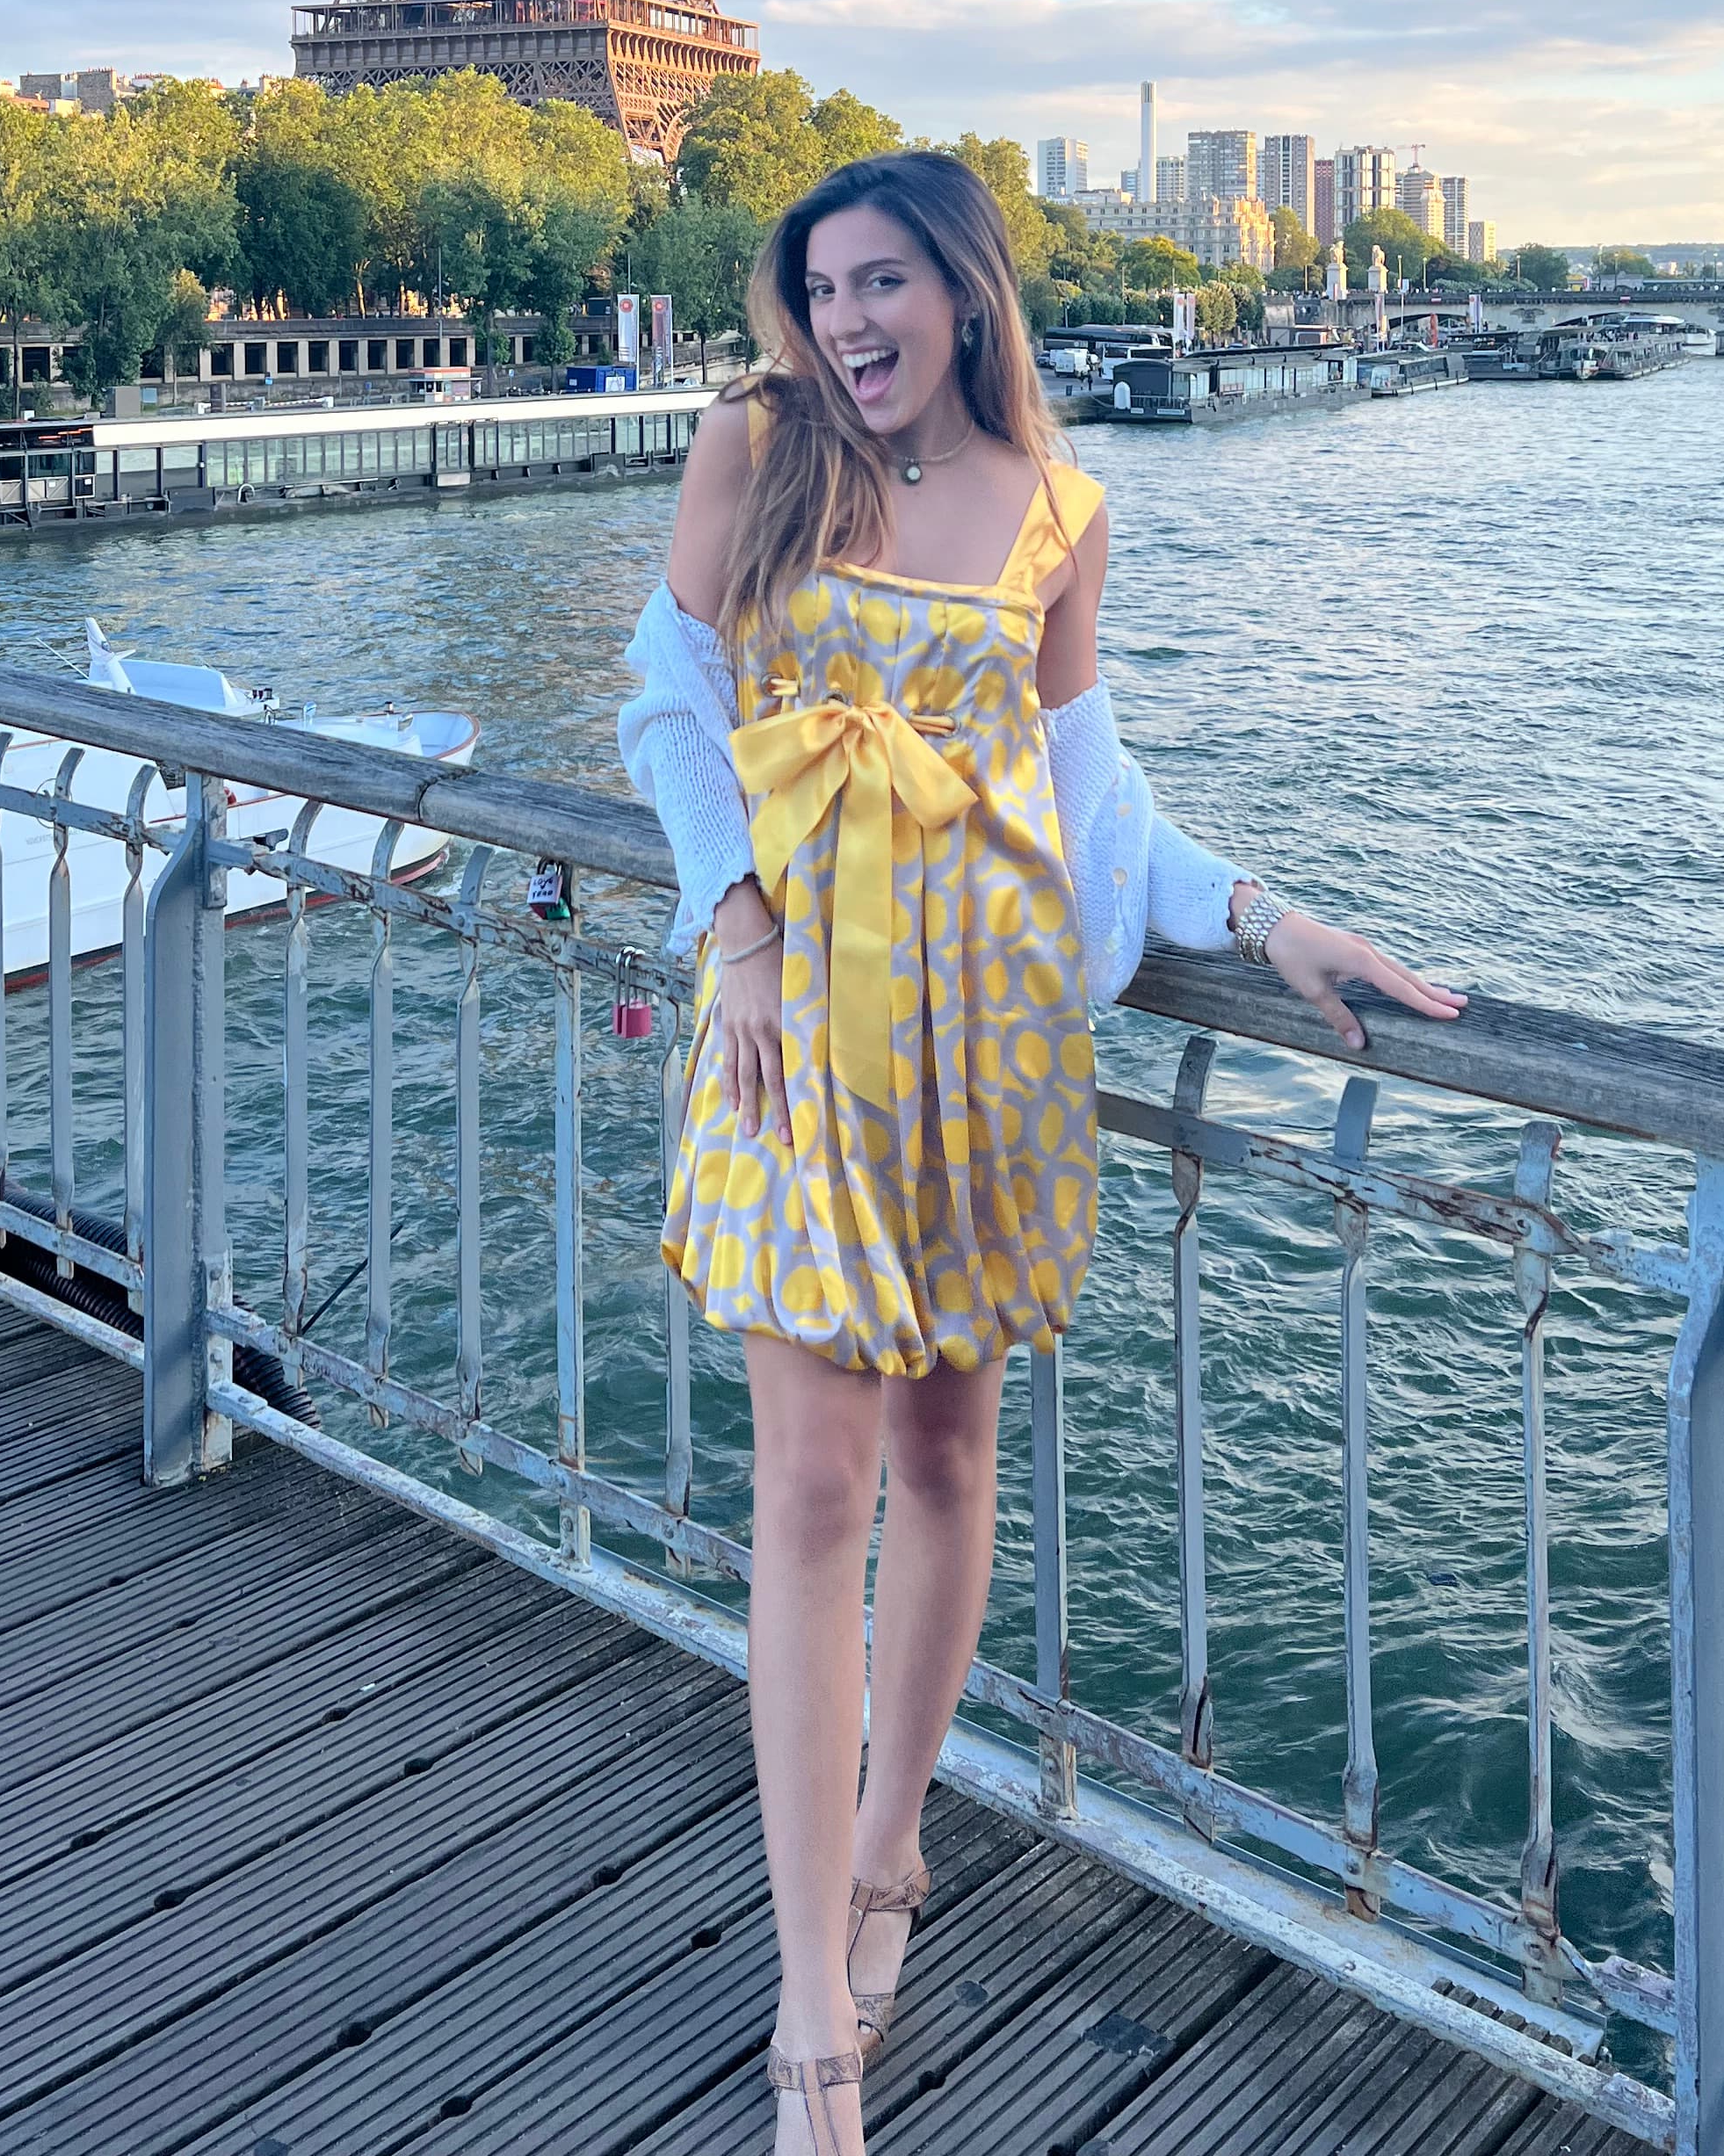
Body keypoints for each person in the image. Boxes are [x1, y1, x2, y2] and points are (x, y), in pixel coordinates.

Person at [619, 151, 1466, 2152]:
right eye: (822, 287)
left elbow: (1083, 804)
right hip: (802, 1031)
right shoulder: (757, 449)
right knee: (809, 1488)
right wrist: (735, 922)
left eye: (883, 284)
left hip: (987, 1045)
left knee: (943, 1459)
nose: (847, 322)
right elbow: (665, 701)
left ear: (964, 293)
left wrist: (1259, 914)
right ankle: (809, 1996)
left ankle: (889, 1849)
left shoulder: (1064, 513)